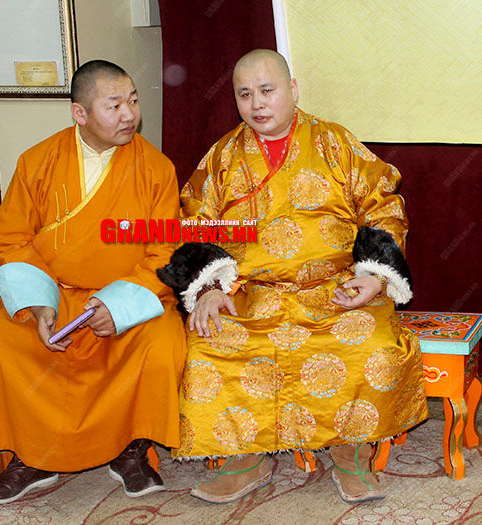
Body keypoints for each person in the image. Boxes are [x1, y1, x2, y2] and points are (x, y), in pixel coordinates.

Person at [169, 49, 427, 504]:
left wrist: (373, 276)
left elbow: (383, 206)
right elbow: (196, 223)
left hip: (335, 290)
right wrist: (207, 288)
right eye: (244, 94)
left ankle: (351, 452)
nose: (256, 103)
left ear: (293, 90)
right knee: (209, 342)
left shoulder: (335, 143)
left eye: (267, 90)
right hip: (251, 293)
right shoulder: (223, 157)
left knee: (372, 343)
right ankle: (244, 457)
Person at [0, 60, 187, 504]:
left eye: (133, 101)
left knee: (162, 343)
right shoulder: (38, 162)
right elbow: (9, 241)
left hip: (124, 299)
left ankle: (130, 448)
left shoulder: (156, 168)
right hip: (53, 297)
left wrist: (119, 307)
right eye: (114, 105)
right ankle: (31, 455)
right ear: (79, 113)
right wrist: (38, 302)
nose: (129, 114)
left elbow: (165, 250)